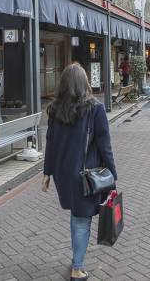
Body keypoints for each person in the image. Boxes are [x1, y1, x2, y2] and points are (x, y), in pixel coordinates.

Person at [42, 63, 117, 281]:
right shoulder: (95, 109)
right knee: (82, 220)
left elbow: (51, 143)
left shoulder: (55, 109)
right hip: (86, 176)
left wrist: (47, 172)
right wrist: (112, 173)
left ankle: (76, 257)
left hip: (63, 174)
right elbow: (105, 145)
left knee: (77, 216)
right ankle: (77, 267)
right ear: (84, 82)